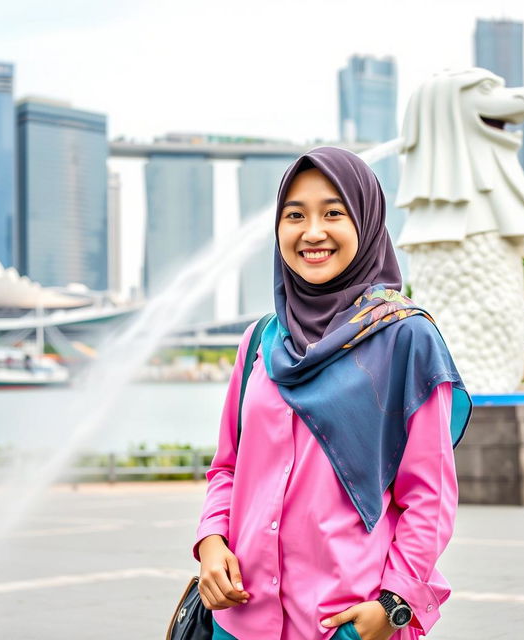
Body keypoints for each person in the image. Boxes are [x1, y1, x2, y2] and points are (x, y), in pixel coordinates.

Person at [192, 147, 472, 640]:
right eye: (294, 215)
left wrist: (395, 605)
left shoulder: (404, 338)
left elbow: (429, 495)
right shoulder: (261, 340)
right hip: (242, 620)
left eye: (333, 213)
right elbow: (228, 468)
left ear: (365, 221)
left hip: (344, 621)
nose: (312, 232)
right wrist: (212, 541)